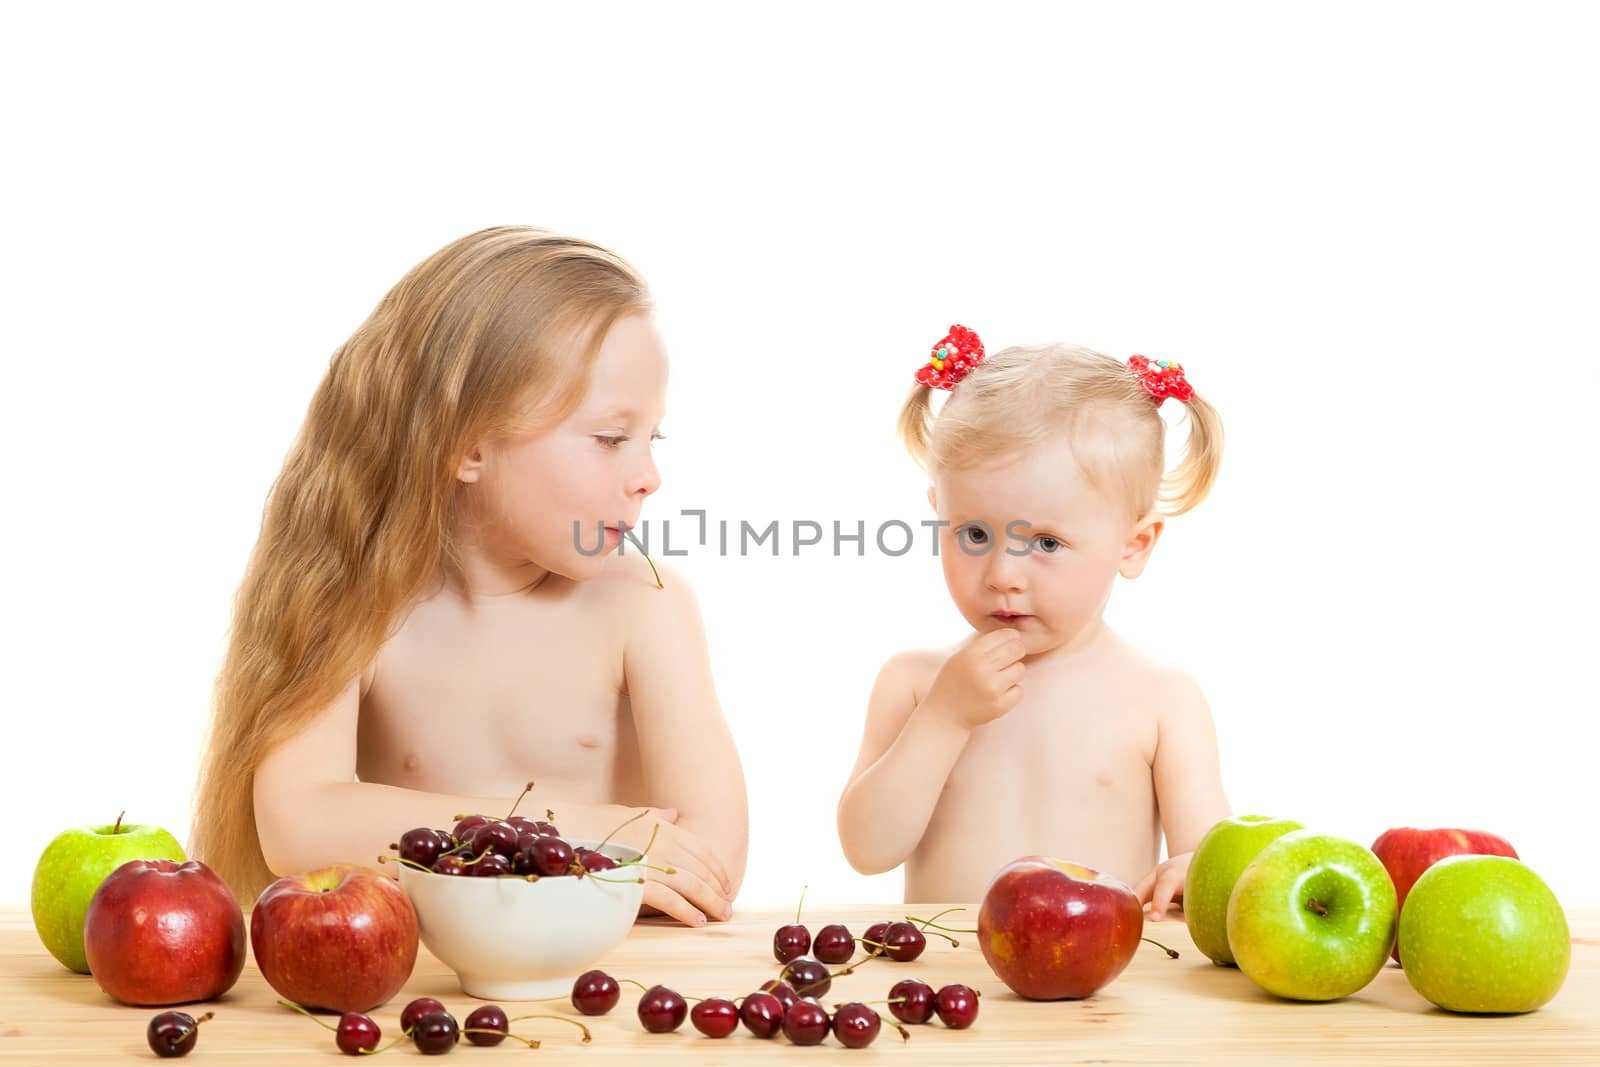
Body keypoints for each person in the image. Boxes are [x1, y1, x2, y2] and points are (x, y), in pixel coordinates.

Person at [192, 226, 747, 926]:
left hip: (605, 989)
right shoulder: (360, 607)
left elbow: (711, 856)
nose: (648, 477)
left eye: (651, 438)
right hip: (428, 998)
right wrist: (573, 831)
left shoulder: (644, 607)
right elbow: (297, 823)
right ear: (469, 444)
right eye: (611, 438)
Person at [837, 326, 1229, 918]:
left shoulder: (1161, 699)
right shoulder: (917, 684)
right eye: (973, 534)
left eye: (1046, 541)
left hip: (1097, 994)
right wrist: (943, 718)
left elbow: (1209, 863)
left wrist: (1193, 865)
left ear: (1135, 544)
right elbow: (867, 850)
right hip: (947, 989)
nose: (1002, 574)